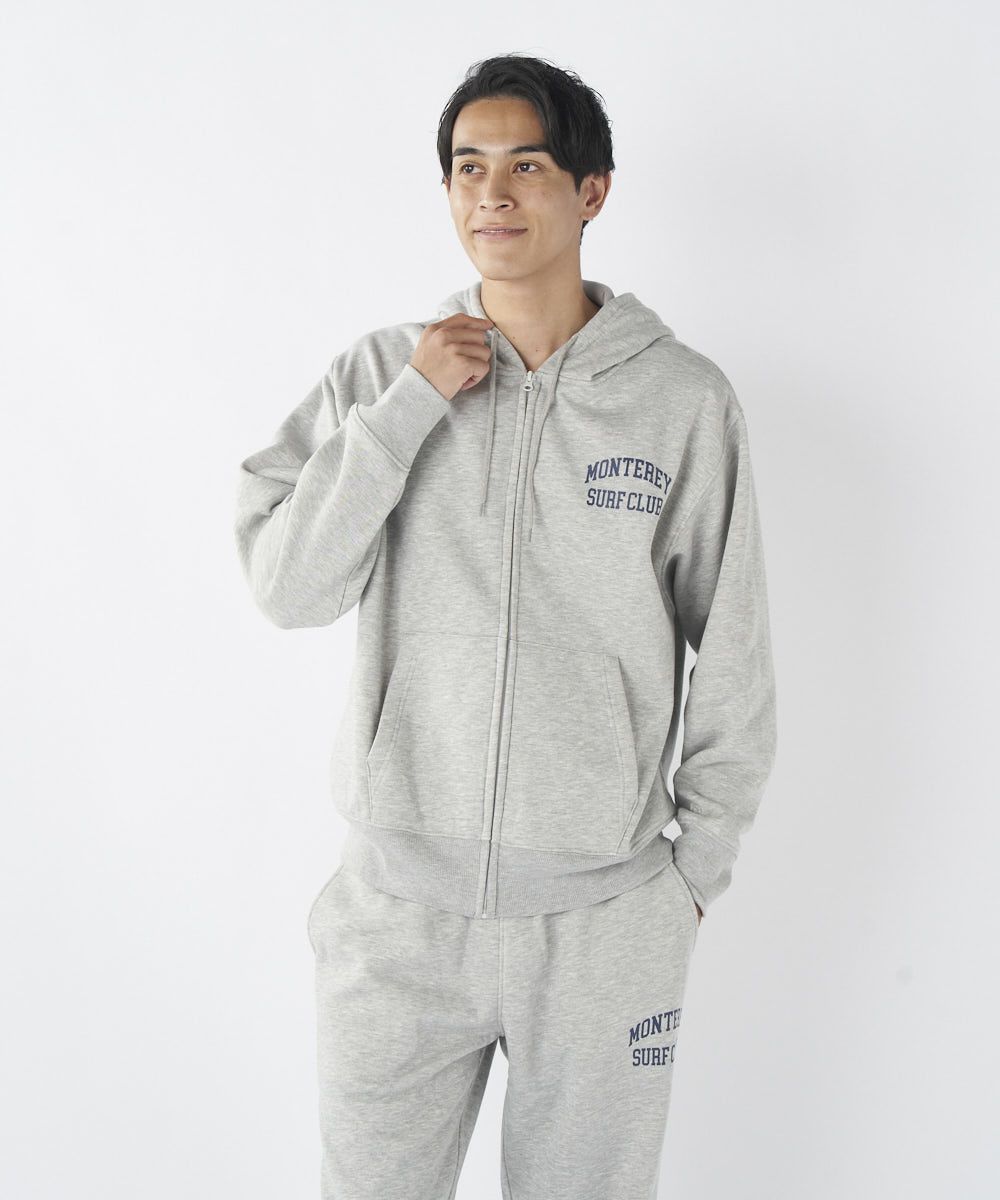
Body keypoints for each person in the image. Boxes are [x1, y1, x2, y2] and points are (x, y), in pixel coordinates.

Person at [233, 52, 777, 1200]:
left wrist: (691, 877)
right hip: (397, 919)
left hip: (601, 925)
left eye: (526, 166)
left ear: (591, 191)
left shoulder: (679, 401)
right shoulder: (379, 375)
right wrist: (410, 407)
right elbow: (288, 588)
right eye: (467, 168)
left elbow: (732, 653)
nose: (492, 194)